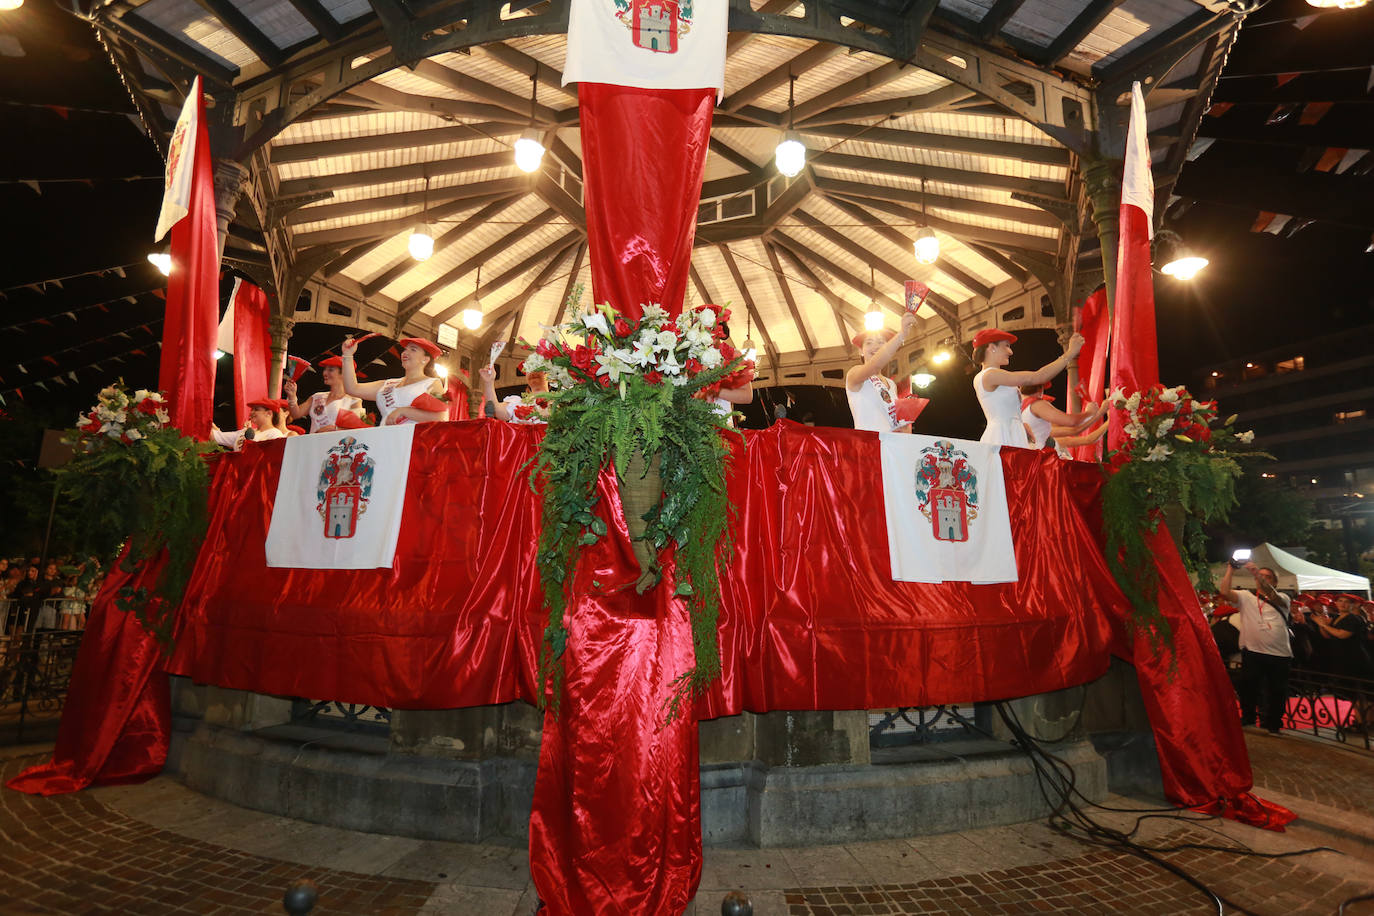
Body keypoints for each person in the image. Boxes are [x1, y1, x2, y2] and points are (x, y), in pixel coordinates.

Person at [971, 329, 1084, 447]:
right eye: (1006, 346)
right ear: (991, 347)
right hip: (1002, 436)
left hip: (1011, 433)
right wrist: (1070, 353)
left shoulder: (994, 376)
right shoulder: (989, 375)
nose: (1010, 352)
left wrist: (1021, 424)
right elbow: (1038, 377)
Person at [1218, 560, 1292, 735]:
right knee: (1249, 686)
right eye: (1261, 576)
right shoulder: (1246, 596)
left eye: (1268, 577)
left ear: (1274, 582)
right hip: (1253, 651)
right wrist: (1231, 569)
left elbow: (1272, 596)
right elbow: (1224, 592)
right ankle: (1249, 716)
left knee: (1277, 690)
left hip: (1279, 653)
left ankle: (1273, 722)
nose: (1262, 578)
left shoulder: (1284, 598)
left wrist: (1256, 572)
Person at [341, 336, 447, 425]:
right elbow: (352, 388)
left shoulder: (432, 383)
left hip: (413, 443)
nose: (405, 352)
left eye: (413, 349)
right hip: (386, 441)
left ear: (425, 359)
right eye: (405, 349)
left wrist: (405, 411)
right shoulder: (388, 384)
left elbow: (441, 417)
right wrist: (348, 355)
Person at [845, 311, 920, 434]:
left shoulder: (891, 384)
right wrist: (902, 335)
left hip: (890, 448)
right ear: (861, 351)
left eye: (881, 342)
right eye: (869, 343)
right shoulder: (854, 374)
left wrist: (905, 429)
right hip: (867, 446)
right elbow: (874, 365)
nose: (875, 346)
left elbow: (899, 424)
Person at [1018, 382, 1107, 455]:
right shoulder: (1037, 406)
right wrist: (1095, 412)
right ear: (1040, 390)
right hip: (1039, 461)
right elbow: (1075, 428)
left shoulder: (1020, 409)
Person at [285, 356, 367, 433]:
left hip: (336, 445)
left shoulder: (354, 401)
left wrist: (334, 429)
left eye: (330, 370)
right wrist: (292, 395)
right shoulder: (316, 396)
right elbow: (296, 414)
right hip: (313, 444)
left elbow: (358, 429)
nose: (325, 373)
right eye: (325, 369)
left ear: (344, 374)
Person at [1311, 594, 1373, 681]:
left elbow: (1342, 635)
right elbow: (1327, 636)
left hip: (1353, 658)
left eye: (1347, 602)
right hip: (1339, 657)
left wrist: (1324, 625)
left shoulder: (1353, 618)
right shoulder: (1336, 617)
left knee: (1354, 687)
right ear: (1336, 603)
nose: (1343, 604)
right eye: (1340, 601)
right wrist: (1321, 625)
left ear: (1352, 605)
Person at [480, 365, 550, 424]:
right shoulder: (516, 402)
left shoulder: (559, 403)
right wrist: (489, 382)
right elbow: (496, 410)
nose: (533, 372)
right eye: (529, 369)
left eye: (538, 368)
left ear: (550, 375)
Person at [211, 399, 288, 451]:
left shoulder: (275, 434)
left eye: (256, 410)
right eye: (252, 410)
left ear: (269, 413)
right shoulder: (245, 432)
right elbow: (216, 436)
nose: (252, 412)